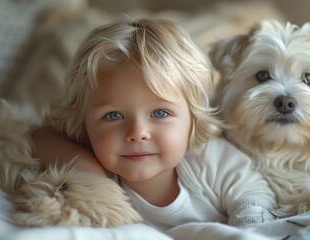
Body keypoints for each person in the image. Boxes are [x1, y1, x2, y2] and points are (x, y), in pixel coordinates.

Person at [32, 18, 276, 231]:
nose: (137, 134)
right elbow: (37, 137)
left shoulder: (209, 159)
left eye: (160, 112)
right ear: (84, 123)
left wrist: (247, 231)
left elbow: (253, 197)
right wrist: (90, 174)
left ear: (192, 119)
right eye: (113, 116)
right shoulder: (102, 177)